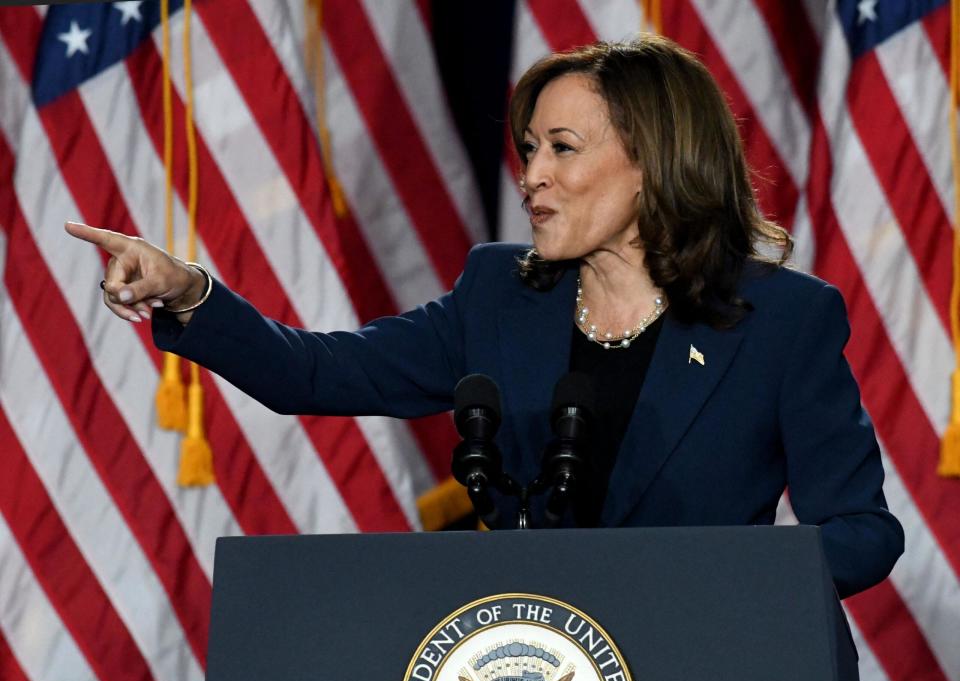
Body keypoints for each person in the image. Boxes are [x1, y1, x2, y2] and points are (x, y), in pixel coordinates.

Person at [65, 35, 903, 598]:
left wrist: (703, 575)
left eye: (562, 148)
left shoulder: (782, 319)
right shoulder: (503, 294)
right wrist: (189, 292)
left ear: (652, 161)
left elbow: (863, 532)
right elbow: (311, 372)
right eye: (529, 149)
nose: (533, 174)